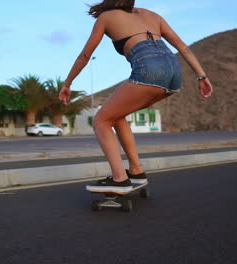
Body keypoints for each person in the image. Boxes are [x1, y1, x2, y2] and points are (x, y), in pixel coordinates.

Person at [59, 0, 213, 193]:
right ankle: (136, 171)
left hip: (149, 68)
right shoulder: (152, 15)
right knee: (116, 115)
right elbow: (183, 47)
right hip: (174, 71)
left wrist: (67, 83)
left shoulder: (106, 17)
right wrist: (202, 76)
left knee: (101, 120)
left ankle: (119, 179)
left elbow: (85, 56)